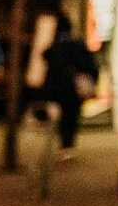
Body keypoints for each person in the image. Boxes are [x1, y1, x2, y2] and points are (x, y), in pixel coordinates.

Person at [39, 12, 100, 160]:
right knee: (72, 117)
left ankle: (64, 145)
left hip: (60, 88)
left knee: (62, 116)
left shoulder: (55, 46)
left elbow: (46, 57)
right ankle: (69, 145)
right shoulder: (78, 44)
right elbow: (91, 65)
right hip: (75, 89)